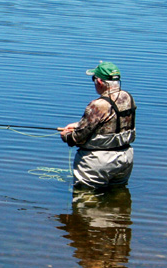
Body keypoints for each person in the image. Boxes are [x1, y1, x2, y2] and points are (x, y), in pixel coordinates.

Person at [58, 62, 136, 190]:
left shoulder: (98, 105)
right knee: (117, 194)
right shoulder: (128, 97)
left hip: (98, 161)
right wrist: (78, 125)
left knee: (86, 197)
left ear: (99, 81)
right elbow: (111, 121)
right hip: (125, 157)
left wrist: (66, 136)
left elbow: (78, 137)